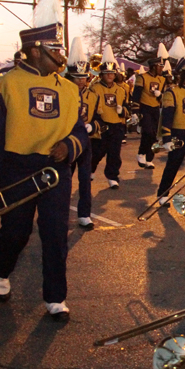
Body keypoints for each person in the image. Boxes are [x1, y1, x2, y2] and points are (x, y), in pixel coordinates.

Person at [0, 0, 88, 321]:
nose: (61, 52)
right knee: (16, 231)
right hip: (17, 168)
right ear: (36, 50)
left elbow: (80, 131)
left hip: (55, 170)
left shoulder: (69, 89)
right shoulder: (6, 82)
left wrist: (69, 146)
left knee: (55, 234)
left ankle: (55, 297)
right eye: (55, 46)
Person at [153, 56, 185, 205]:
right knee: (173, 165)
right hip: (179, 134)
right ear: (183, 73)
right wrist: (166, 138)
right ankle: (163, 194)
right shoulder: (172, 92)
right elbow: (167, 117)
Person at [66, 39, 98, 229]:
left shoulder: (93, 95)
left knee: (85, 180)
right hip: (67, 142)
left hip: (86, 142)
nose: (81, 81)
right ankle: (60, 212)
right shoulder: (62, 94)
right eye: (77, 77)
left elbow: (100, 118)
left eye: (83, 77)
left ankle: (84, 214)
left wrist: (93, 126)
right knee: (65, 180)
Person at [89, 47, 129, 189]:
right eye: (107, 73)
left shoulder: (121, 90)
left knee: (114, 154)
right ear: (102, 74)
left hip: (116, 125)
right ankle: (91, 170)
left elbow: (127, 109)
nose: (110, 76)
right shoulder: (95, 88)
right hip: (102, 124)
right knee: (98, 151)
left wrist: (122, 110)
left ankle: (112, 176)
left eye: (112, 73)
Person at [131, 47, 166, 169]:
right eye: (160, 66)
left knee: (154, 134)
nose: (162, 69)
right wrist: (135, 111)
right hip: (144, 107)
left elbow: (164, 97)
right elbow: (136, 95)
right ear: (154, 66)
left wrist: (160, 95)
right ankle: (141, 153)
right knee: (147, 132)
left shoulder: (162, 79)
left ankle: (149, 158)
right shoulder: (142, 77)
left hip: (155, 108)